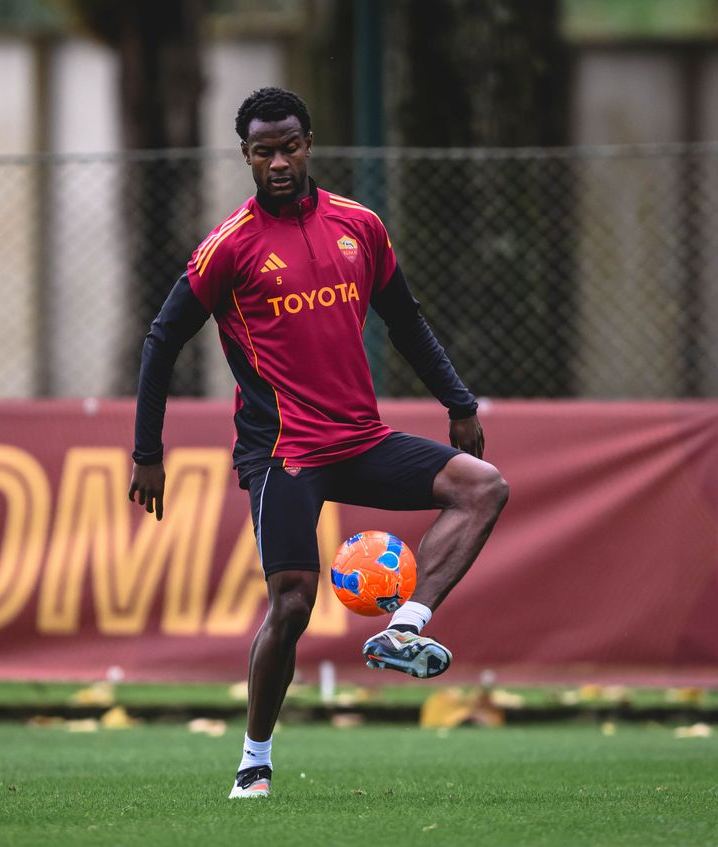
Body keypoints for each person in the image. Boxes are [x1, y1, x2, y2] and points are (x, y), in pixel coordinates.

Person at [128, 87, 508, 799]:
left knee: (482, 486)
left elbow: (405, 319)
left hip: (360, 438)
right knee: (294, 604)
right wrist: (147, 451)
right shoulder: (228, 246)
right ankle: (254, 759)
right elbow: (162, 339)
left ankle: (405, 628)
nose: (279, 162)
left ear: (309, 144)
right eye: (263, 151)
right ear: (246, 156)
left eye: (290, 146)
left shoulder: (359, 226)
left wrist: (459, 404)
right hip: (284, 452)